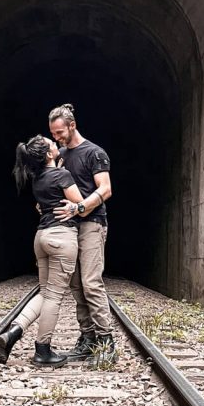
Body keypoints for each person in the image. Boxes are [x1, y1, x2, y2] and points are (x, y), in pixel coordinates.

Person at [0, 135, 84, 367]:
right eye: (52, 144)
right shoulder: (62, 175)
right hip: (61, 237)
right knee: (54, 296)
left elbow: (49, 195)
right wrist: (76, 203)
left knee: (45, 292)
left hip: (41, 237)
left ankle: (14, 331)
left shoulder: (36, 177)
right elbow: (81, 206)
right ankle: (42, 350)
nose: (57, 145)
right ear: (48, 154)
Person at [48, 103, 117, 363]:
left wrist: (80, 207)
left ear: (72, 125)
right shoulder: (61, 154)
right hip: (68, 228)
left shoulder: (94, 153)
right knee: (76, 284)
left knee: (90, 282)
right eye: (53, 134)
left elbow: (106, 189)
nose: (56, 138)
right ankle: (88, 338)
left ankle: (106, 343)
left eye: (59, 132)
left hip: (91, 224)